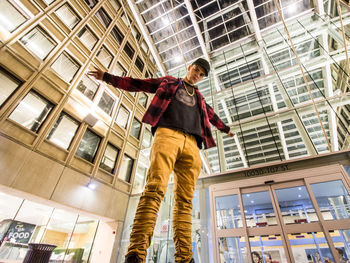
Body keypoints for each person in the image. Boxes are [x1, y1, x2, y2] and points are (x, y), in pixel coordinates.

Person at [88, 58, 234, 263]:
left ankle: (185, 257)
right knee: (155, 189)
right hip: (167, 135)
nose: (197, 75)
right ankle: (136, 253)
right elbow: (138, 84)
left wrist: (225, 129)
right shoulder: (169, 83)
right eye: (196, 70)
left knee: (185, 202)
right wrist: (108, 78)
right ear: (189, 67)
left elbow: (212, 116)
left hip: (193, 145)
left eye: (201, 74)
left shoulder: (200, 98)